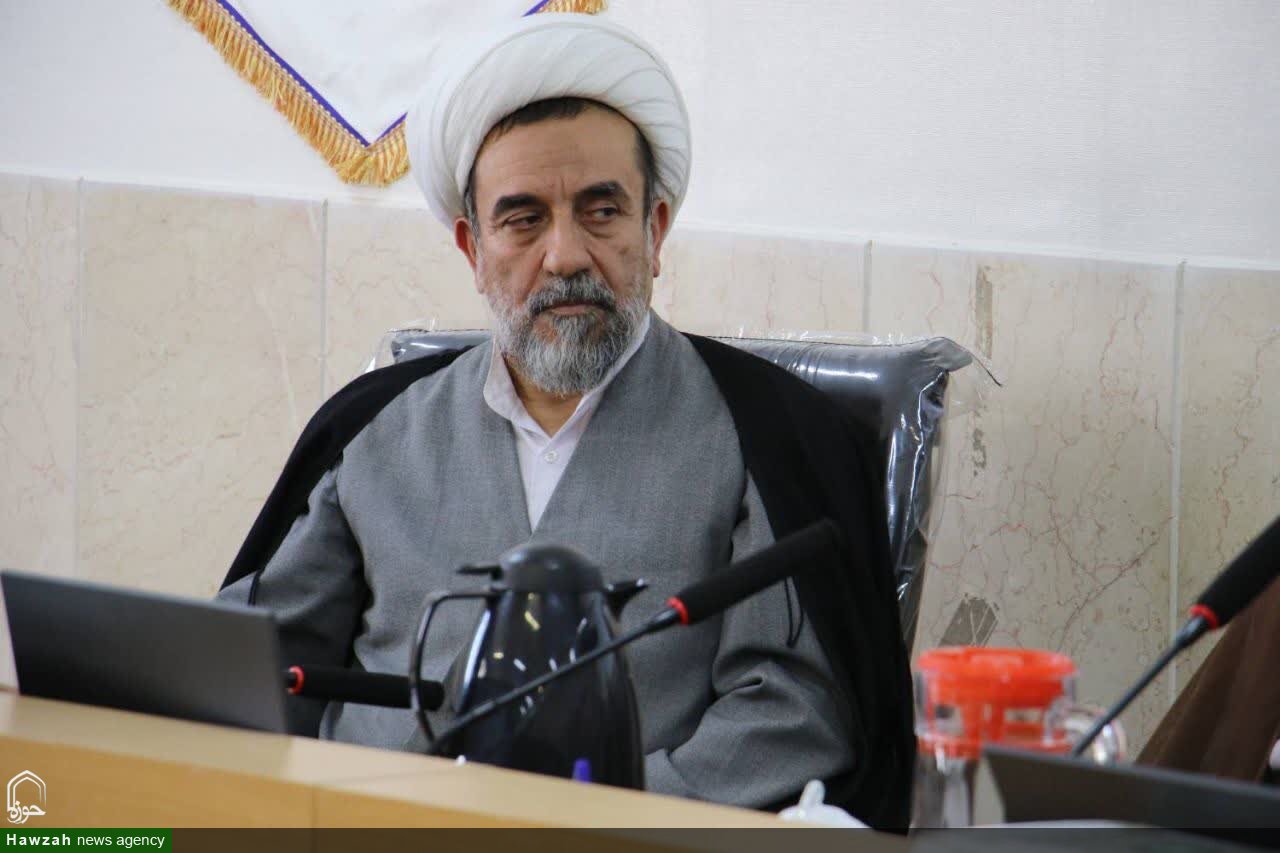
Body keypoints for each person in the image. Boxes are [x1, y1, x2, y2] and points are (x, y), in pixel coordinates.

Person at [218, 13, 913, 827]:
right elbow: (250, 671)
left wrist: (589, 818)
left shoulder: (766, 437)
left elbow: (791, 715)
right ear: (472, 248)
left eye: (601, 211)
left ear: (654, 230)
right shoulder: (376, 433)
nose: (565, 255)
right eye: (522, 219)